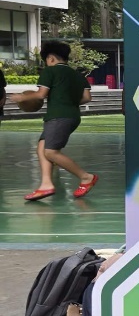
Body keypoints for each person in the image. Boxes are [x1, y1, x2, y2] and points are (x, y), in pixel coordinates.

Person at [8, 41, 96, 201]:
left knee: (50, 152)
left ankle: (86, 177)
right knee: (42, 147)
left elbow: (41, 94)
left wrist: (21, 97)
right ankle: (46, 185)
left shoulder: (50, 71)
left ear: (51, 58)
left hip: (58, 116)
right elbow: (87, 98)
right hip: (72, 116)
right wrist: (67, 101)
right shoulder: (78, 75)